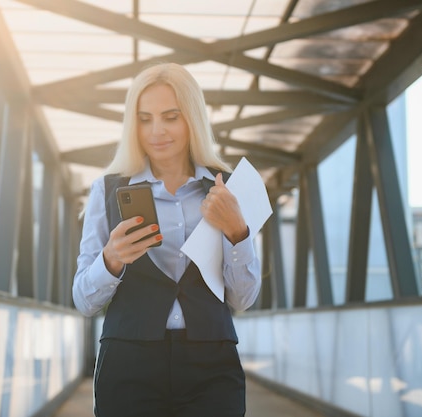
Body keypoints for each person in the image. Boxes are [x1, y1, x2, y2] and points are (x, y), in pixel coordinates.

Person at [72, 62, 262, 417]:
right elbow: (83, 300)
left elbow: (243, 298)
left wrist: (238, 232)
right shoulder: (107, 190)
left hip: (212, 365)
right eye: (145, 119)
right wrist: (111, 260)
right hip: (129, 364)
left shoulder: (229, 189)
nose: (156, 131)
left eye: (170, 117)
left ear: (192, 118)